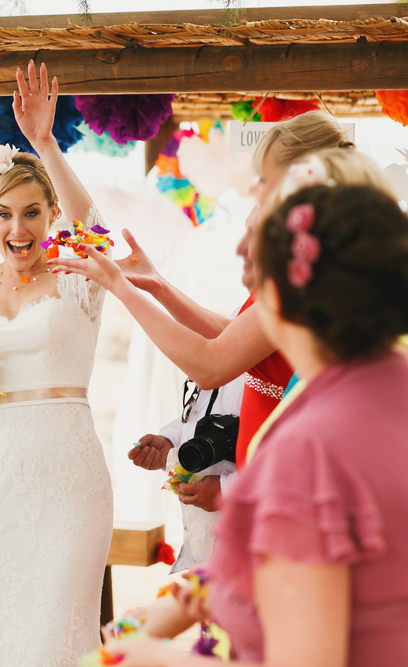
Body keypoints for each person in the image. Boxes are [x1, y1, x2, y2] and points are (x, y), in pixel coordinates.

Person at [107, 184, 408, 667]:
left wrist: (142, 656)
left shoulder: (309, 447)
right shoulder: (387, 377)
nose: (240, 249)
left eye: (261, 239)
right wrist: (173, 606)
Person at [51, 112, 359, 469]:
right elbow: (236, 338)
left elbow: (210, 366)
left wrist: (119, 287)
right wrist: (158, 286)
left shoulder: (306, 276)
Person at [0, 61, 113, 665]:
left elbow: (91, 224)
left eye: (33, 213)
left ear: (50, 216)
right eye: (5, 214)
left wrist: (43, 142)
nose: (20, 228)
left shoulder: (79, 279)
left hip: (68, 476)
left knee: (60, 627)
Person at [128, 376, 242, 572]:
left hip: (247, 546)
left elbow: (291, 460)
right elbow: (201, 412)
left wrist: (227, 490)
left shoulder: (267, 371)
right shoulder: (214, 364)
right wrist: (171, 443)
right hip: (202, 547)